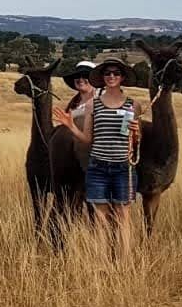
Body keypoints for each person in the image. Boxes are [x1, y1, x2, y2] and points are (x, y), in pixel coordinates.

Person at [53, 56, 143, 253]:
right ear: (102, 77)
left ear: (122, 77)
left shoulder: (133, 105)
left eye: (116, 73)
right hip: (98, 167)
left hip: (123, 167)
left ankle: (124, 262)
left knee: (123, 216)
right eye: (107, 73)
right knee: (100, 218)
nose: (111, 76)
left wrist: (136, 133)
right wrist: (70, 126)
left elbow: (135, 142)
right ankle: (101, 261)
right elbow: (87, 139)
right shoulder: (93, 105)